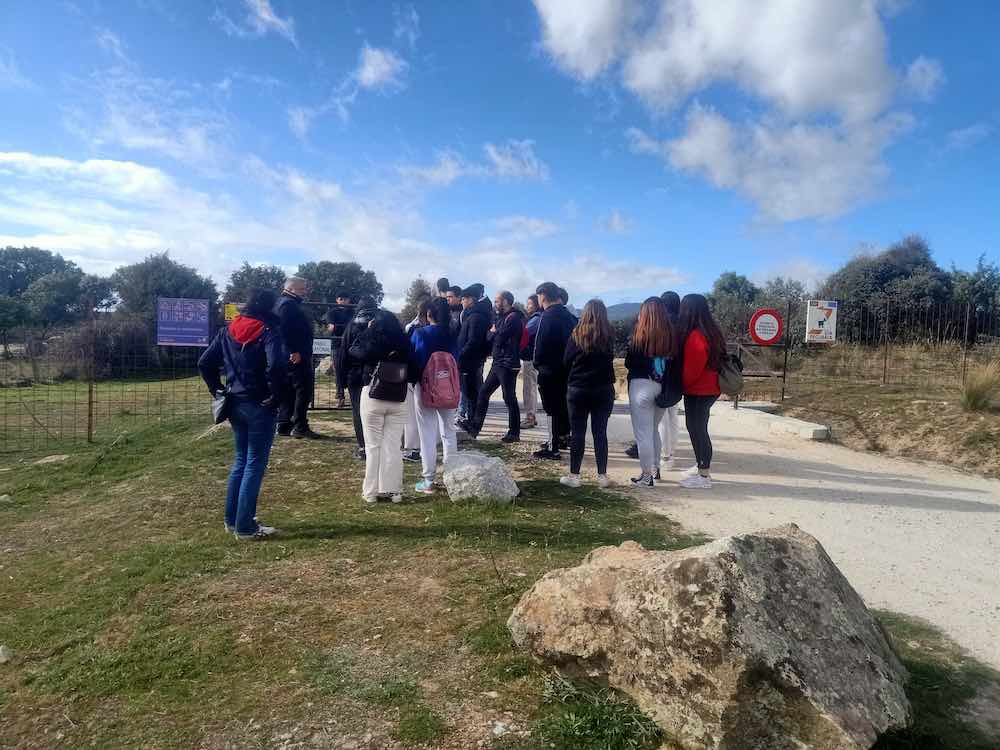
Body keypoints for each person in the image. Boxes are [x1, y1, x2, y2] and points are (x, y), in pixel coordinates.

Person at [198, 288, 287, 540]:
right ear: (268, 308)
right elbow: (278, 365)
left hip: (234, 402)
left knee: (240, 461)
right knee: (254, 463)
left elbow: (204, 362)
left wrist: (216, 389)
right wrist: (277, 394)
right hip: (261, 403)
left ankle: (232, 519)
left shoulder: (227, 331)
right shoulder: (268, 331)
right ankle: (245, 526)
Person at [349, 305, 413, 505]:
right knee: (393, 446)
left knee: (373, 446)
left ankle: (370, 492)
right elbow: (415, 368)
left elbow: (354, 350)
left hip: (374, 394)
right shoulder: (404, 343)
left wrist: (368, 330)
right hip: (398, 397)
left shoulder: (373, 340)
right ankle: (394, 491)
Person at [560, 299, 615, 489]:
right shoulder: (609, 335)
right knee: (600, 433)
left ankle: (575, 476)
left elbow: (566, 360)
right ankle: (602, 476)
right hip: (604, 388)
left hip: (579, 387)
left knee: (578, 433)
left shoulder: (577, 334)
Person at [625, 290, 682, 470]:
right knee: (653, 431)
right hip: (660, 387)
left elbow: (629, 362)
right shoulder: (671, 335)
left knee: (643, 435)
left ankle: (646, 475)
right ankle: (656, 469)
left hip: (640, 386)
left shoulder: (639, 334)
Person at [410, 297, 460, 494]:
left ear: (429, 314)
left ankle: (428, 480)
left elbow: (416, 359)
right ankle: (452, 477)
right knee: (449, 431)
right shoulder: (452, 333)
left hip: (426, 388)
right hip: (449, 387)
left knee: (427, 433)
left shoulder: (420, 333)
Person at [677, 293, 724, 490]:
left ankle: (704, 475)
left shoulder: (696, 335)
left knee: (697, 429)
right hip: (710, 388)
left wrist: (680, 385)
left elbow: (692, 370)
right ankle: (700, 467)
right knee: (698, 428)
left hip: (699, 390)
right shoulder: (712, 331)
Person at [468, 291, 524, 443]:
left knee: (509, 398)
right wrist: (493, 333)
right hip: (498, 362)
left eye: (497, 301)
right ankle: (474, 428)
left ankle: (514, 432)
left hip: (508, 364)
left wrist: (494, 333)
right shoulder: (501, 318)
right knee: (484, 393)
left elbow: (498, 338)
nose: (495, 304)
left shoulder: (514, 318)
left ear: (506, 301)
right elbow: (491, 337)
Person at [532, 281, 576, 460]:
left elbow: (540, 346)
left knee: (551, 409)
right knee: (563, 406)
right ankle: (563, 437)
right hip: (567, 370)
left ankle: (553, 446)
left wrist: (537, 364)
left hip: (549, 370)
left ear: (542, 296)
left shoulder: (547, 316)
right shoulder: (571, 317)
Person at [274, 277, 321, 439]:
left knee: (289, 390)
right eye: (302, 289)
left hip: (289, 354)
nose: (305, 292)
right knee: (303, 389)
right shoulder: (288, 305)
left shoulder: (281, 303)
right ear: (292, 289)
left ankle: (284, 424)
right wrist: (293, 350)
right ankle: (300, 425)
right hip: (296, 354)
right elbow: (284, 329)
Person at [337, 295, 378, 460]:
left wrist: (341, 381)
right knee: (376, 411)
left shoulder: (351, 327)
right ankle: (375, 445)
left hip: (355, 375)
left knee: (358, 411)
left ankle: (363, 447)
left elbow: (343, 355)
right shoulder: (381, 324)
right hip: (376, 374)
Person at [455, 284, 492, 431]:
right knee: (469, 392)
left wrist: (460, 354)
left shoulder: (476, 316)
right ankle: (470, 422)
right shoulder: (471, 314)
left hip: (471, 360)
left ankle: (472, 423)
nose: (462, 302)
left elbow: (473, 341)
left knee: (472, 393)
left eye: (464, 299)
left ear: (471, 299)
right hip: (469, 359)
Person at [401, 297, 432, 464]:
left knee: (412, 414)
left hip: (415, 377)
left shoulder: (412, 328)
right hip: (434, 377)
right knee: (429, 415)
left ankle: (413, 449)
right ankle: (428, 447)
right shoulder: (440, 328)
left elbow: (409, 351)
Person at [327, 291, 354, 409]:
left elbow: (353, 327)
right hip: (337, 345)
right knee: (338, 370)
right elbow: (331, 328)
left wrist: (338, 327)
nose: (344, 301)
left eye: (346, 299)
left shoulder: (353, 311)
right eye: (341, 299)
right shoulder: (332, 312)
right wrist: (346, 327)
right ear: (337, 300)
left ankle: (353, 396)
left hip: (351, 345)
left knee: (352, 370)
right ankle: (340, 396)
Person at [520, 294, 542, 429]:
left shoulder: (535, 319)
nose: (527, 306)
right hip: (534, 358)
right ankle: (531, 416)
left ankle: (530, 417)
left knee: (529, 389)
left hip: (530, 359)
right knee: (531, 388)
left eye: (529, 304)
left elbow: (525, 335)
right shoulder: (539, 318)